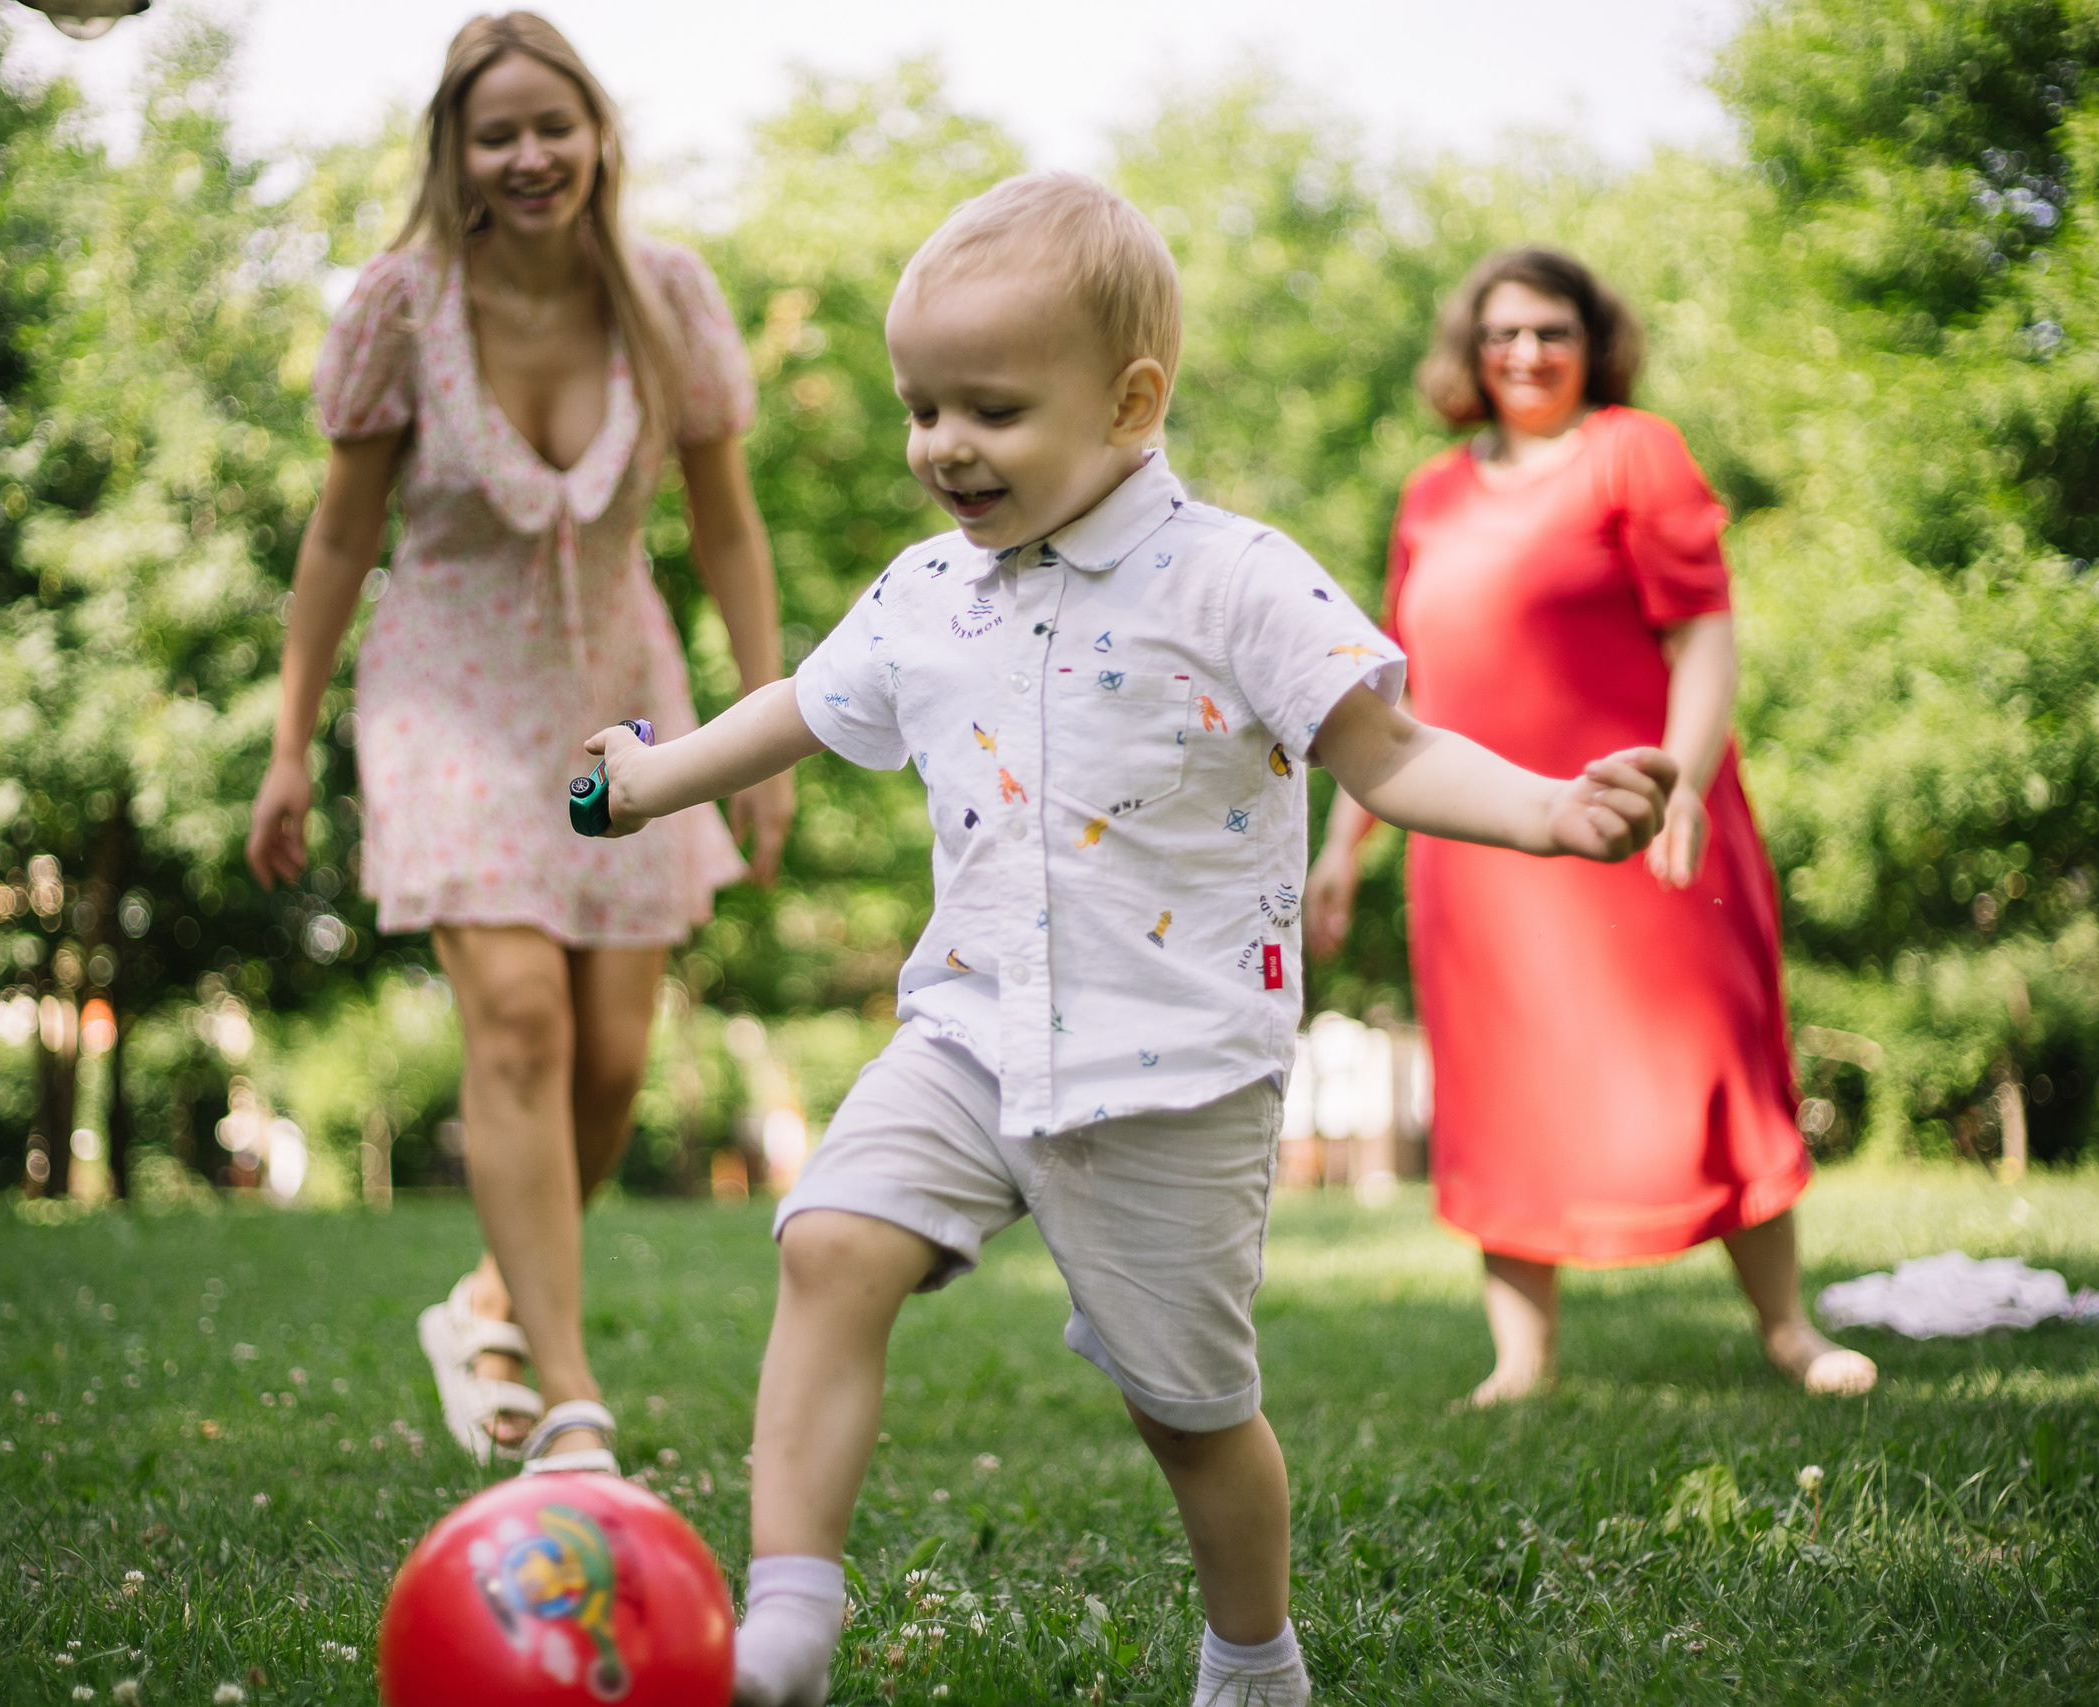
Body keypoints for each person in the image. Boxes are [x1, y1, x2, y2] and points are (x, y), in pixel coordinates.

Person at [580, 175, 1673, 1707]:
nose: (944, 445)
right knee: (829, 1240)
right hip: (969, 1024)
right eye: (921, 407)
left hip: (1172, 1067)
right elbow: (802, 710)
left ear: (1132, 400)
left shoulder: (1234, 578)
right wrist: (650, 779)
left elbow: (1387, 748)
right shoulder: (926, 592)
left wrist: (1554, 810)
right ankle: (788, 1626)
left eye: (993, 409)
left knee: (1190, 1409)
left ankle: (1253, 1653)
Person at [245, 12, 792, 1474]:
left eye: (556, 123)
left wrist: (765, 729)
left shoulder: (669, 297)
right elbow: (341, 532)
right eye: (498, 132)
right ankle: (568, 1392)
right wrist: (290, 744)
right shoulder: (400, 306)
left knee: (615, 1057)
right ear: (458, 154)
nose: (531, 154)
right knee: (522, 1026)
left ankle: (484, 1303)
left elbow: (729, 528)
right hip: (447, 698)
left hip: (624, 694)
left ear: (599, 133)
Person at [1303, 247, 1878, 1406]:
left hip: (1636, 822)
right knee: (1500, 1083)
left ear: (1592, 341)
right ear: (1470, 349)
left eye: (1550, 330)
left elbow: (1701, 632)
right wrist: (1340, 844)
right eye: (1502, 332)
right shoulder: (1430, 494)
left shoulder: (1633, 452)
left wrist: (1686, 783)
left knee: (1709, 1061)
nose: (1524, 352)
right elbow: (1393, 688)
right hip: (1478, 852)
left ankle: (1785, 1329)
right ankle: (1521, 1359)